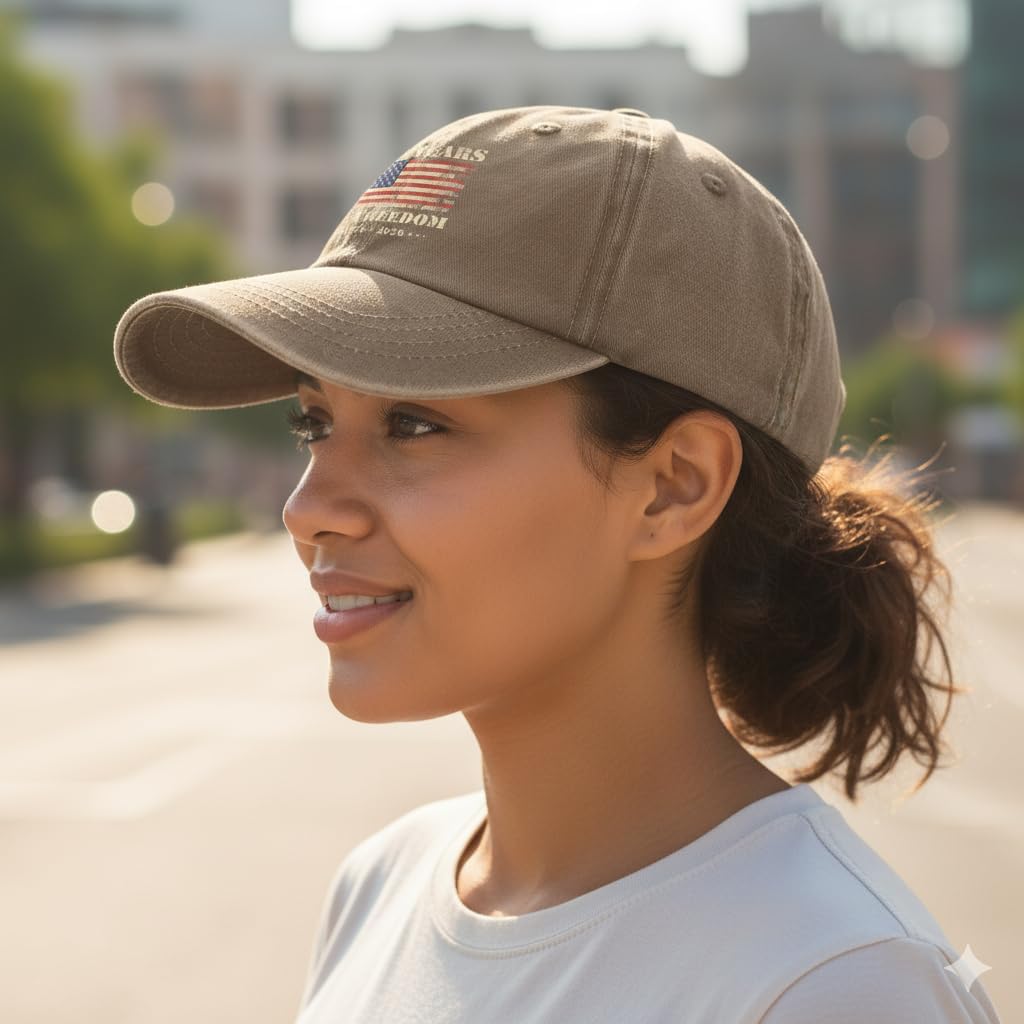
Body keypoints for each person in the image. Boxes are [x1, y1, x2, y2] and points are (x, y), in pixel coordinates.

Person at [112, 106, 1003, 1023]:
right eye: (314, 424)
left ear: (673, 487)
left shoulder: (830, 983)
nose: (306, 512)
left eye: (413, 425)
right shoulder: (380, 885)